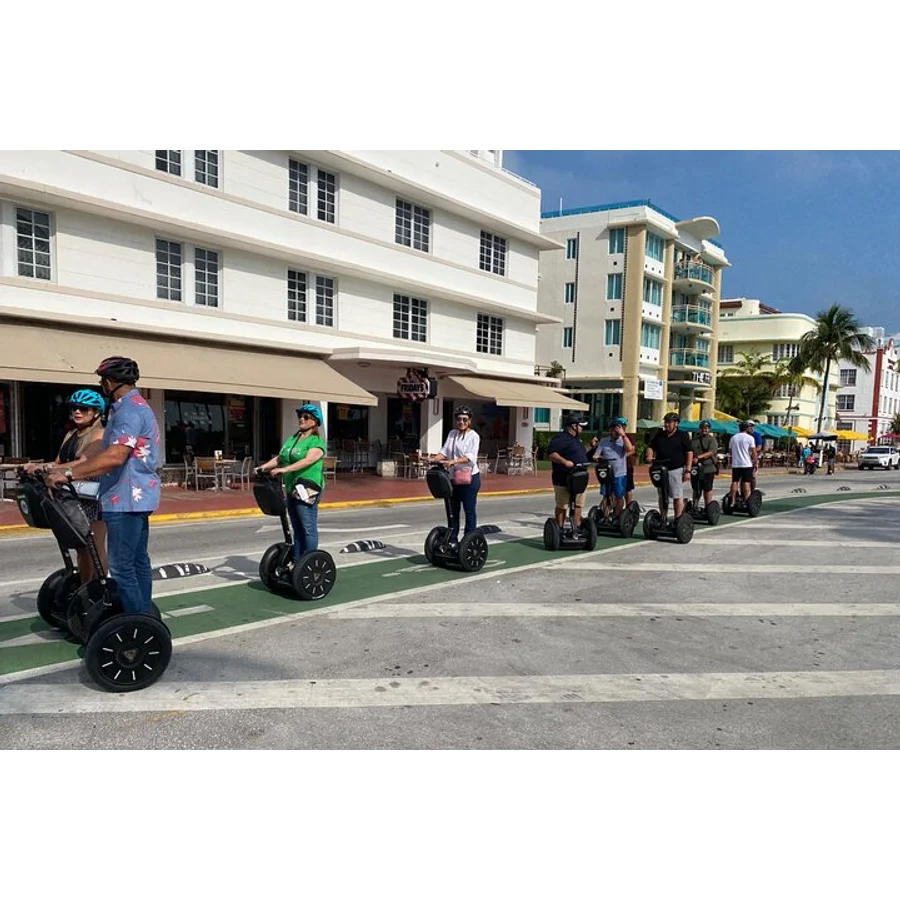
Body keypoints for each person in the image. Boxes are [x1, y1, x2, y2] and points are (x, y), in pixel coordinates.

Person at [44, 356, 160, 616]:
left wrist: (69, 474)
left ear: (109, 382)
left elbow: (114, 457)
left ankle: (135, 622)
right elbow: (98, 456)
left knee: (122, 567)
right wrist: (59, 469)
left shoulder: (129, 411)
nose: (102, 385)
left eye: (102, 381)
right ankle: (143, 615)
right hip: (135, 496)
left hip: (126, 496)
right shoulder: (132, 407)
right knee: (138, 561)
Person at [256, 403, 327, 566]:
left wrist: (284, 470)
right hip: (291, 488)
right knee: (296, 528)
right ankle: (296, 562)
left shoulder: (316, 441)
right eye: (300, 416)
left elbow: (308, 460)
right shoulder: (293, 438)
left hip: (308, 489)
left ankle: (309, 563)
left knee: (307, 528)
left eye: (306, 417)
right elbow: (280, 458)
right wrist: (264, 467)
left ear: (315, 421)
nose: (301, 419)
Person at [432, 405, 482, 545]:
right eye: (459, 419)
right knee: (453, 511)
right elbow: (445, 451)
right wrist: (435, 458)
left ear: (470, 421)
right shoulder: (452, 434)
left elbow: (471, 457)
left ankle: (469, 540)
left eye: (465, 419)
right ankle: (452, 539)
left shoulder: (474, 436)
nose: (461, 422)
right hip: (453, 479)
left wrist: (453, 461)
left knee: (469, 510)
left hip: (470, 479)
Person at [547, 412, 591, 532]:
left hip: (579, 478)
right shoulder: (561, 439)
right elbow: (552, 453)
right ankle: (559, 529)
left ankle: (576, 528)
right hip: (563, 478)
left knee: (578, 505)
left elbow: (579, 453)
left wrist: (590, 446)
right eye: (581, 425)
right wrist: (564, 461)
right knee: (563, 506)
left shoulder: (577, 439)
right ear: (573, 426)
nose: (582, 428)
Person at [645, 412, 693, 520]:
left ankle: (678, 518)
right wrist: (649, 456)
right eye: (666, 422)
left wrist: (688, 471)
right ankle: (663, 517)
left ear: (676, 423)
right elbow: (650, 447)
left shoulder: (682, 435)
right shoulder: (660, 435)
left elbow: (689, 452)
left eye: (669, 422)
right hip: (661, 469)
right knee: (662, 495)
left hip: (675, 468)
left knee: (676, 495)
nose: (667, 425)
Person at [589, 416, 633, 521]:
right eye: (614, 429)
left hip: (620, 473)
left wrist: (623, 435)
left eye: (619, 429)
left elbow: (629, 449)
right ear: (610, 430)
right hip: (606, 473)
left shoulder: (623, 441)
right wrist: (599, 458)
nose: (616, 432)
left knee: (619, 496)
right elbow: (595, 455)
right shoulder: (604, 441)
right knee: (606, 495)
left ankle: (617, 515)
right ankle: (605, 515)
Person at [728, 420, 759, 505]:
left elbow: (730, 451)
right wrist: (755, 463)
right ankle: (747, 501)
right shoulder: (750, 438)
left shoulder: (733, 438)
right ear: (746, 428)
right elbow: (754, 452)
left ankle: (733, 500)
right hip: (746, 464)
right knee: (746, 482)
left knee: (735, 482)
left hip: (736, 464)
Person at [691, 419, 720, 511]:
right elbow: (690, 450)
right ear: (700, 429)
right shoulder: (695, 439)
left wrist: (698, 457)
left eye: (707, 428)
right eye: (703, 428)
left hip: (708, 468)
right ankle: (694, 506)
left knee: (707, 488)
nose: (705, 430)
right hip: (696, 468)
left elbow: (711, 452)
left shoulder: (712, 440)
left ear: (709, 429)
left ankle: (708, 507)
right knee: (696, 488)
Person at [746, 420, 763, 489]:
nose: (750, 427)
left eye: (752, 426)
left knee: (752, 476)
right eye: (748, 426)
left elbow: (759, 447)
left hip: (753, 457)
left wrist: (751, 451)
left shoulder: (756, 435)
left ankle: (752, 490)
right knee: (743, 477)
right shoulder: (743, 434)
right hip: (744, 457)